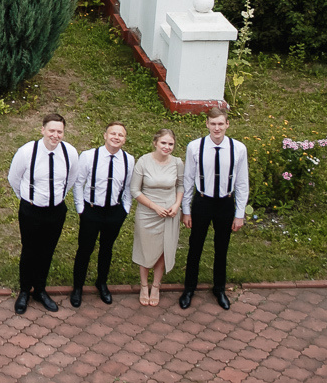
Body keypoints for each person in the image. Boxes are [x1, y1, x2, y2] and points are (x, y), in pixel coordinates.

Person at [8, 113, 79, 314]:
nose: (55, 135)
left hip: (56, 211)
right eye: (52, 130)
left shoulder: (70, 153)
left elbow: (71, 178)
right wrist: (27, 199)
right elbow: (14, 178)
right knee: (29, 250)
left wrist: (58, 198)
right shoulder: (27, 152)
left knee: (47, 251)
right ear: (43, 130)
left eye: (59, 131)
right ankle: (24, 291)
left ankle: (40, 290)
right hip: (31, 210)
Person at [180, 106, 250, 310]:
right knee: (195, 247)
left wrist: (239, 214)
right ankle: (189, 289)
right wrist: (186, 209)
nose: (217, 128)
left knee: (222, 248)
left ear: (227, 124)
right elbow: (188, 179)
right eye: (213, 124)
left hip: (225, 203)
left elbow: (242, 183)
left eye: (221, 123)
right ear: (207, 124)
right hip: (202, 202)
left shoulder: (239, 149)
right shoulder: (195, 146)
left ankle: (219, 289)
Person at [69, 121, 134, 307]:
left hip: (114, 212)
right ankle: (78, 287)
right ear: (105, 135)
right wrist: (81, 208)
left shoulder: (129, 160)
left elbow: (128, 187)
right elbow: (78, 183)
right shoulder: (89, 156)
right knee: (85, 249)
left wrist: (125, 209)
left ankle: (102, 283)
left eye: (120, 135)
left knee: (107, 249)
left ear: (124, 139)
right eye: (113, 133)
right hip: (91, 211)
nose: (116, 137)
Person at [130, 128, 185, 307]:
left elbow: (180, 185)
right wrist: (154, 207)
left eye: (171, 144)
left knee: (163, 250)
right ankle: (144, 285)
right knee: (146, 249)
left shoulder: (177, 163)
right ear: (155, 143)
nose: (167, 147)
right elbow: (134, 190)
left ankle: (156, 286)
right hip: (148, 213)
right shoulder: (143, 162)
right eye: (163, 143)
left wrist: (177, 205)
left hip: (169, 214)